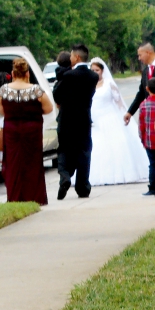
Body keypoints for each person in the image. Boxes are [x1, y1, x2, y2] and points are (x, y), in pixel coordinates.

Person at [0, 58, 53, 204]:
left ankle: (15, 196)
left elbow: (1, 109)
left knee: (13, 163)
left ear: (13, 74)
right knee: (33, 163)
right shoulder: (36, 90)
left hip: (12, 130)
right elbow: (48, 108)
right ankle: (34, 196)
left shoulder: (4, 90)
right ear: (27, 74)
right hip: (32, 129)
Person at [87, 56, 149, 186]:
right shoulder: (88, 85)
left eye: (97, 70)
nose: (94, 72)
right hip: (94, 120)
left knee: (115, 145)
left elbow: (119, 103)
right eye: (92, 70)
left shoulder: (109, 84)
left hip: (109, 117)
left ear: (102, 71)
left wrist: (125, 116)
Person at [53, 44, 100, 200]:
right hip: (84, 119)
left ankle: (65, 176)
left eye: (72, 55)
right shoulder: (93, 77)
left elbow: (57, 96)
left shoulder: (68, 76)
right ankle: (83, 186)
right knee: (84, 152)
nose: (70, 58)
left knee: (64, 150)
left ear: (77, 57)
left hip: (67, 119)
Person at [125, 42, 155, 125]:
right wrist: (130, 112)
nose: (139, 58)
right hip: (152, 115)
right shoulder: (145, 71)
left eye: (140, 55)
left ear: (148, 52)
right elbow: (141, 94)